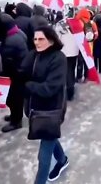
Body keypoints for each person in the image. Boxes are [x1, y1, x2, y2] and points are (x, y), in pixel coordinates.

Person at [19, 26, 69, 183]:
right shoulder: (33, 55)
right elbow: (22, 73)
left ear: (51, 40)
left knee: (43, 155)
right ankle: (62, 160)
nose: (37, 42)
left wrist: (28, 85)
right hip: (34, 108)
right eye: (35, 39)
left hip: (52, 110)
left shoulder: (59, 58)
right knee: (50, 135)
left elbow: (50, 88)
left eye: (41, 39)